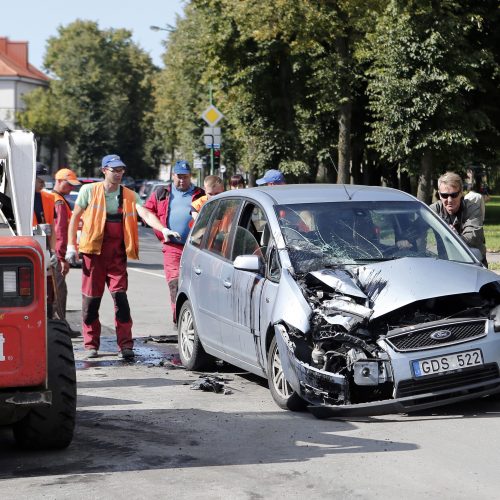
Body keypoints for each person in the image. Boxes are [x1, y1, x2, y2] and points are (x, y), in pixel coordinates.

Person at [66, 154, 169, 359]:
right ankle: (90, 345)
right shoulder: (89, 191)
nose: (119, 174)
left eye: (121, 170)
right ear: (104, 170)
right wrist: (71, 246)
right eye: (114, 170)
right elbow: (75, 217)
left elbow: (145, 214)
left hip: (117, 255)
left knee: (121, 300)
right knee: (91, 302)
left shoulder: (129, 195)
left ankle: (125, 345)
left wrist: (163, 229)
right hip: (93, 254)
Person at [144, 160, 205, 322]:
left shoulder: (200, 194)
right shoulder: (162, 192)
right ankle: (177, 319)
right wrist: (160, 230)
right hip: (172, 247)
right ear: (173, 176)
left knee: (194, 285)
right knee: (175, 283)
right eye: (179, 177)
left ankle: (193, 319)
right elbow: (147, 211)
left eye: (185, 177)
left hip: (195, 248)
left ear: (190, 176)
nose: (182, 180)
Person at [430, 171, 487, 266]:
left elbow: (472, 239)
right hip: (445, 263)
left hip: (473, 263)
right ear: (439, 195)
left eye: (453, 195)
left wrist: (453, 236)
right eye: (444, 195)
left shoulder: (472, 208)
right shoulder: (434, 210)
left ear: (461, 193)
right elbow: (416, 229)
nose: (449, 200)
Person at [52, 168, 81, 321]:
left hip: (52, 253)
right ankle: (60, 326)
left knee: (56, 290)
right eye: (68, 184)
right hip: (57, 256)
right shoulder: (59, 202)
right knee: (59, 291)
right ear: (59, 181)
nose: (71, 188)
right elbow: (60, 231)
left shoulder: (53, 198)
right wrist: (62, 258)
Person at [33, 162, 57, 318]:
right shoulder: (16, 198)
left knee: (49, 288)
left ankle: (50, 317)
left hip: (45, 248)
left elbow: (52, 227)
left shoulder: (48, 198)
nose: (43, 183)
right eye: (39, 179)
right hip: (29, 248)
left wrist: (53, 250)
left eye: (44, 180)